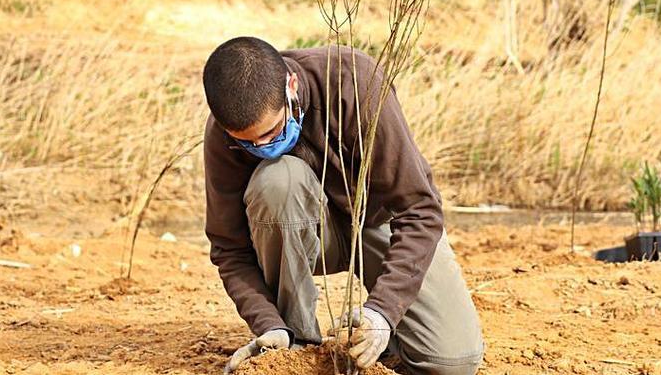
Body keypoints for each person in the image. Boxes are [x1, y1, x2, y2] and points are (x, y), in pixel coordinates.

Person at [201, 36, 484, 375]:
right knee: (276, 180)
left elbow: (419, 209)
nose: (263, 146)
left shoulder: (355, 83)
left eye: (272, 131)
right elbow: (230, 249)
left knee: (452, 362)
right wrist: (269, 324)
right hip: (305, 230)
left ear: (290, 87)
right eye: (247, 142)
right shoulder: (223, 134)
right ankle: (296, 344)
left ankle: (386, 335)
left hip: (381, 222)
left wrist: (383, 311)